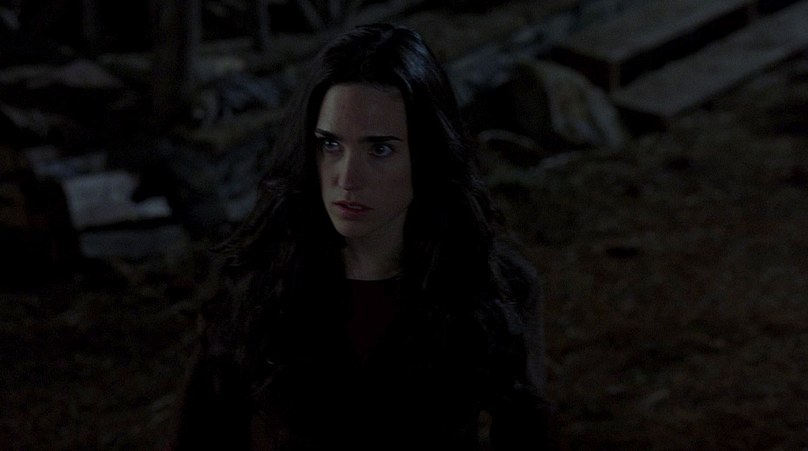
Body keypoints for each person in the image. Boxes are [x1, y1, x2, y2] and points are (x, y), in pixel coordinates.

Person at [171, 23, 550, 450]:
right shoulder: (254, 287)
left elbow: (527, 435)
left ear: (426, 154)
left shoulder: (493, 287)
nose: (348, 178)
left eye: (380, 149)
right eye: (331, 145)